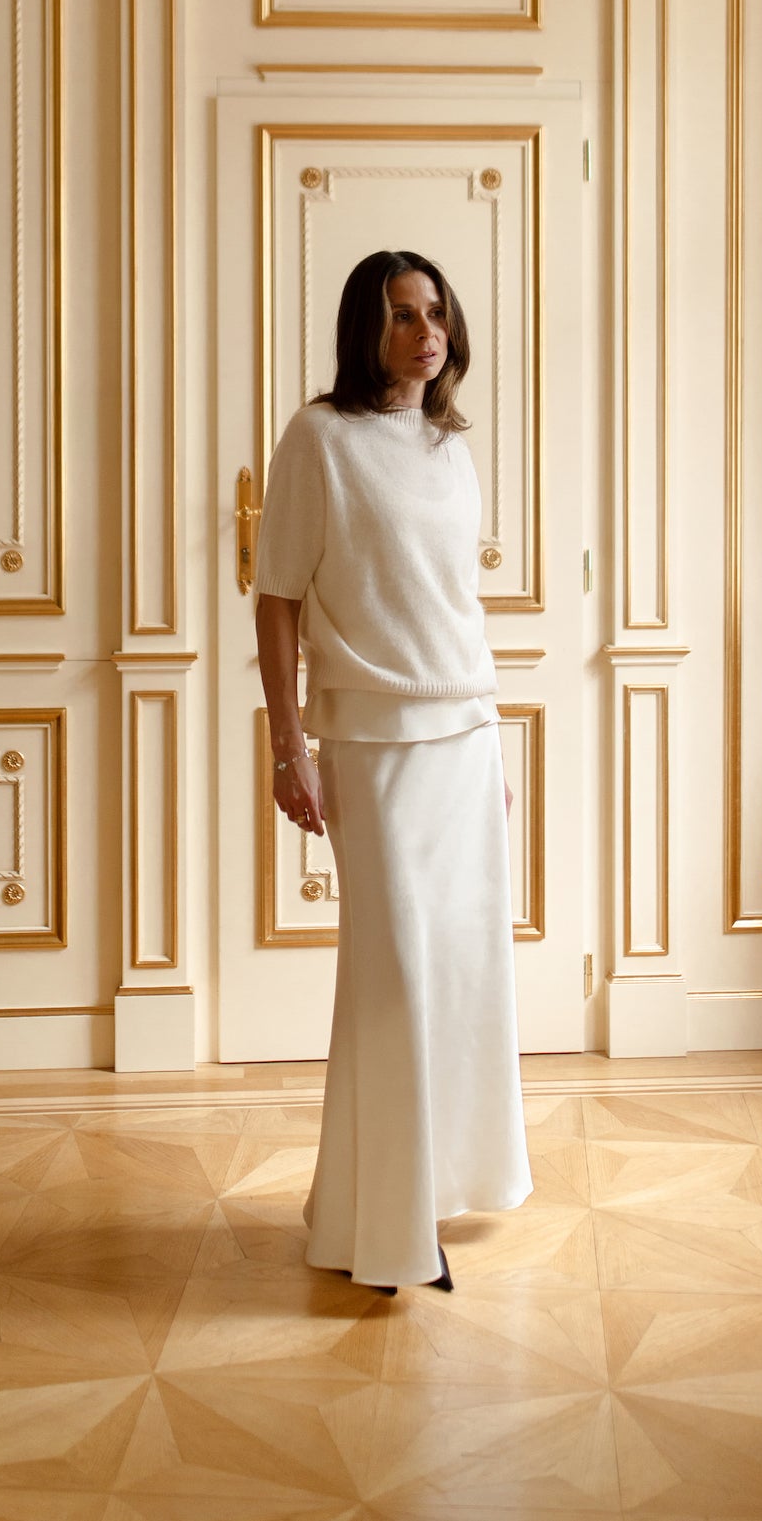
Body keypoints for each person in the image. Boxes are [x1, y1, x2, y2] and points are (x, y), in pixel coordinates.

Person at [254, 248, 532, 1295]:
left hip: (464, 737)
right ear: (364, 329)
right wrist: (288, 746)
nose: (428, 334)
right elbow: (277, 599)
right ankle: (386, 1230)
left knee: (460, 975)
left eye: (437, 315)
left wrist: (489, 731)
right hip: (371, 749)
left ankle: (412, 1197)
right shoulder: (318, 439)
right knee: (396, 979)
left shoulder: (450, 447)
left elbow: (456, 605)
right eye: (404, 315)